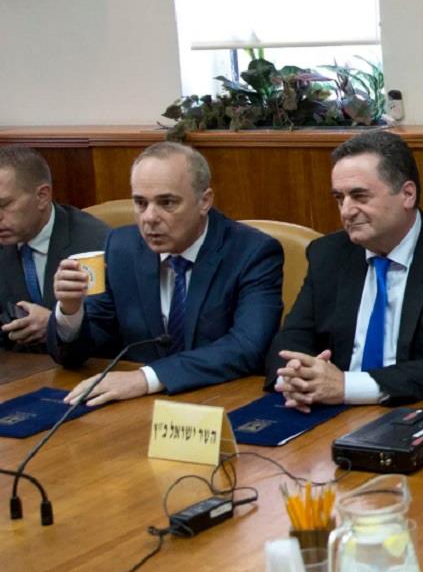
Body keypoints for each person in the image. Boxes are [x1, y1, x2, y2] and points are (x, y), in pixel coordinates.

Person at [264, 130, 423, 411]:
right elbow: (292, 338)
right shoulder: (328, 254)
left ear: (407, 194)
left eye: (359, 196)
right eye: (339, 198)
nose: (346, 211)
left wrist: (348, 387)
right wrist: (295, 378)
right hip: (333, 412)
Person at [47, 142, 283, 405]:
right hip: (135, 408)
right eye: (140, 203)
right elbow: (80, 352)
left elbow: (247, 347)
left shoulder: (252, 251)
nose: (149, 217)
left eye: (166, 202)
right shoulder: (122, 247)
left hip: (225, 399)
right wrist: (70, 311)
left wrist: (146, 378)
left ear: (204, 201)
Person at [0, 146, 108, 350]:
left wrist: (57, 324)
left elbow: (107, 332)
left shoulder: (95, 243)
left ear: (42, 196)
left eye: (3, 205)